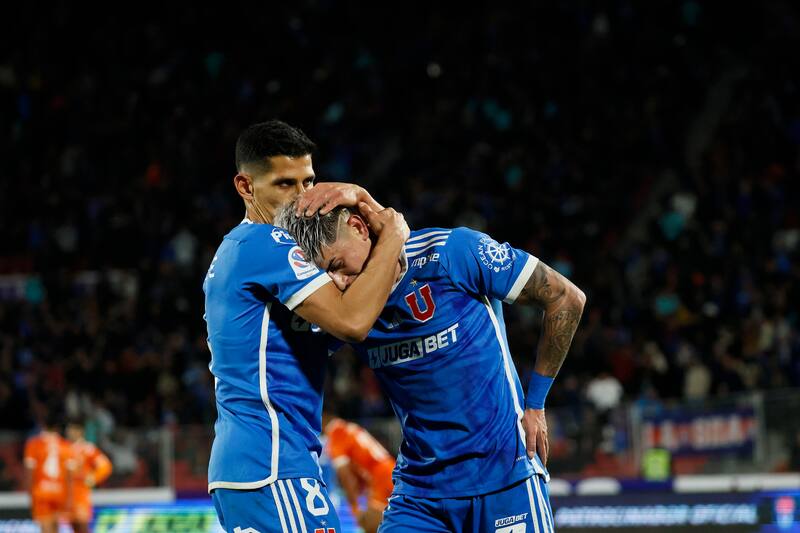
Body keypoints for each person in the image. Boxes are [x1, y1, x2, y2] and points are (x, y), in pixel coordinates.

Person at [279, 200, 586, 533]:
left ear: (358, 227)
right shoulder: (348, 309)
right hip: (420, 495)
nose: (338, 282)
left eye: (337, 263)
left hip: (506, 476)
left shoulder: (451, 252)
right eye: (326, 275)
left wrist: (536, 404)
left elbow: (565, 297)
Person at [204, 120, 409, 533]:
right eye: (284, 184)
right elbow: (352, 322)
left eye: (309, 181)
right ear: (246, 187)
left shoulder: (237, 250)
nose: (304, 198)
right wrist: (393, 235)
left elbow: (331, 332)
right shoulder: (267, 244)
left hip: (249, 467)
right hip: (275, 463)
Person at [323, 410, 395, 533]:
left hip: (380, 477)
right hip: (389, 469)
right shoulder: (350, 428)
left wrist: (354, 507)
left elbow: (345, 474)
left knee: (371, 523)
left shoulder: (336, 433)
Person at [23, 414, 74, 533]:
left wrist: (29, 491)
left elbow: (30, 470)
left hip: (42, 491)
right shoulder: (66, 445)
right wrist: (69, 496)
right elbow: (69, 475)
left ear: (43, 426)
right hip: (60, 492)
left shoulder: (34, 444)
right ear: (57, 428)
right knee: (56, 527)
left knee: (45, 527)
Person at [64, 417, 113, 533]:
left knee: (82, 528)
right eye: (68, 429)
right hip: (66, 496)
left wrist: (93, 478)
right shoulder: (64, 448)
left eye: (72, 429)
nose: (69, 432)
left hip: (81, 496)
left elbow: (105, 466)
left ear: (80, 431)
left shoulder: (88, 449)